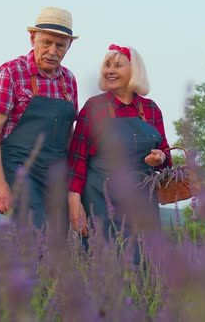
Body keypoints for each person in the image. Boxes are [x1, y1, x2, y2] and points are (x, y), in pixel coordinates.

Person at [0, 7, 79, 230]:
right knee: (32, 239)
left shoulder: (69, 81)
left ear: (69, 46)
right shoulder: (11, 73)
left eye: (60, 45)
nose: (52, 51)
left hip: (55, 176)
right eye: (46, 42)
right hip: (19, 172)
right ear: (33, 37)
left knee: (57, 243)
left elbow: (68, 134)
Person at [67, 44, 172, 241]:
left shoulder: (151, 110)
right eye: (107, 65)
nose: (110, 71)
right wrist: (74, 200)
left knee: (144, 264)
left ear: (134, 71)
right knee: (103, 263)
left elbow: (166, 154)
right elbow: (77, 158)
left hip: (142, 203)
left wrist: (161, 157)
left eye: (117, 65)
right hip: (99, 199)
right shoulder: (93, 107)